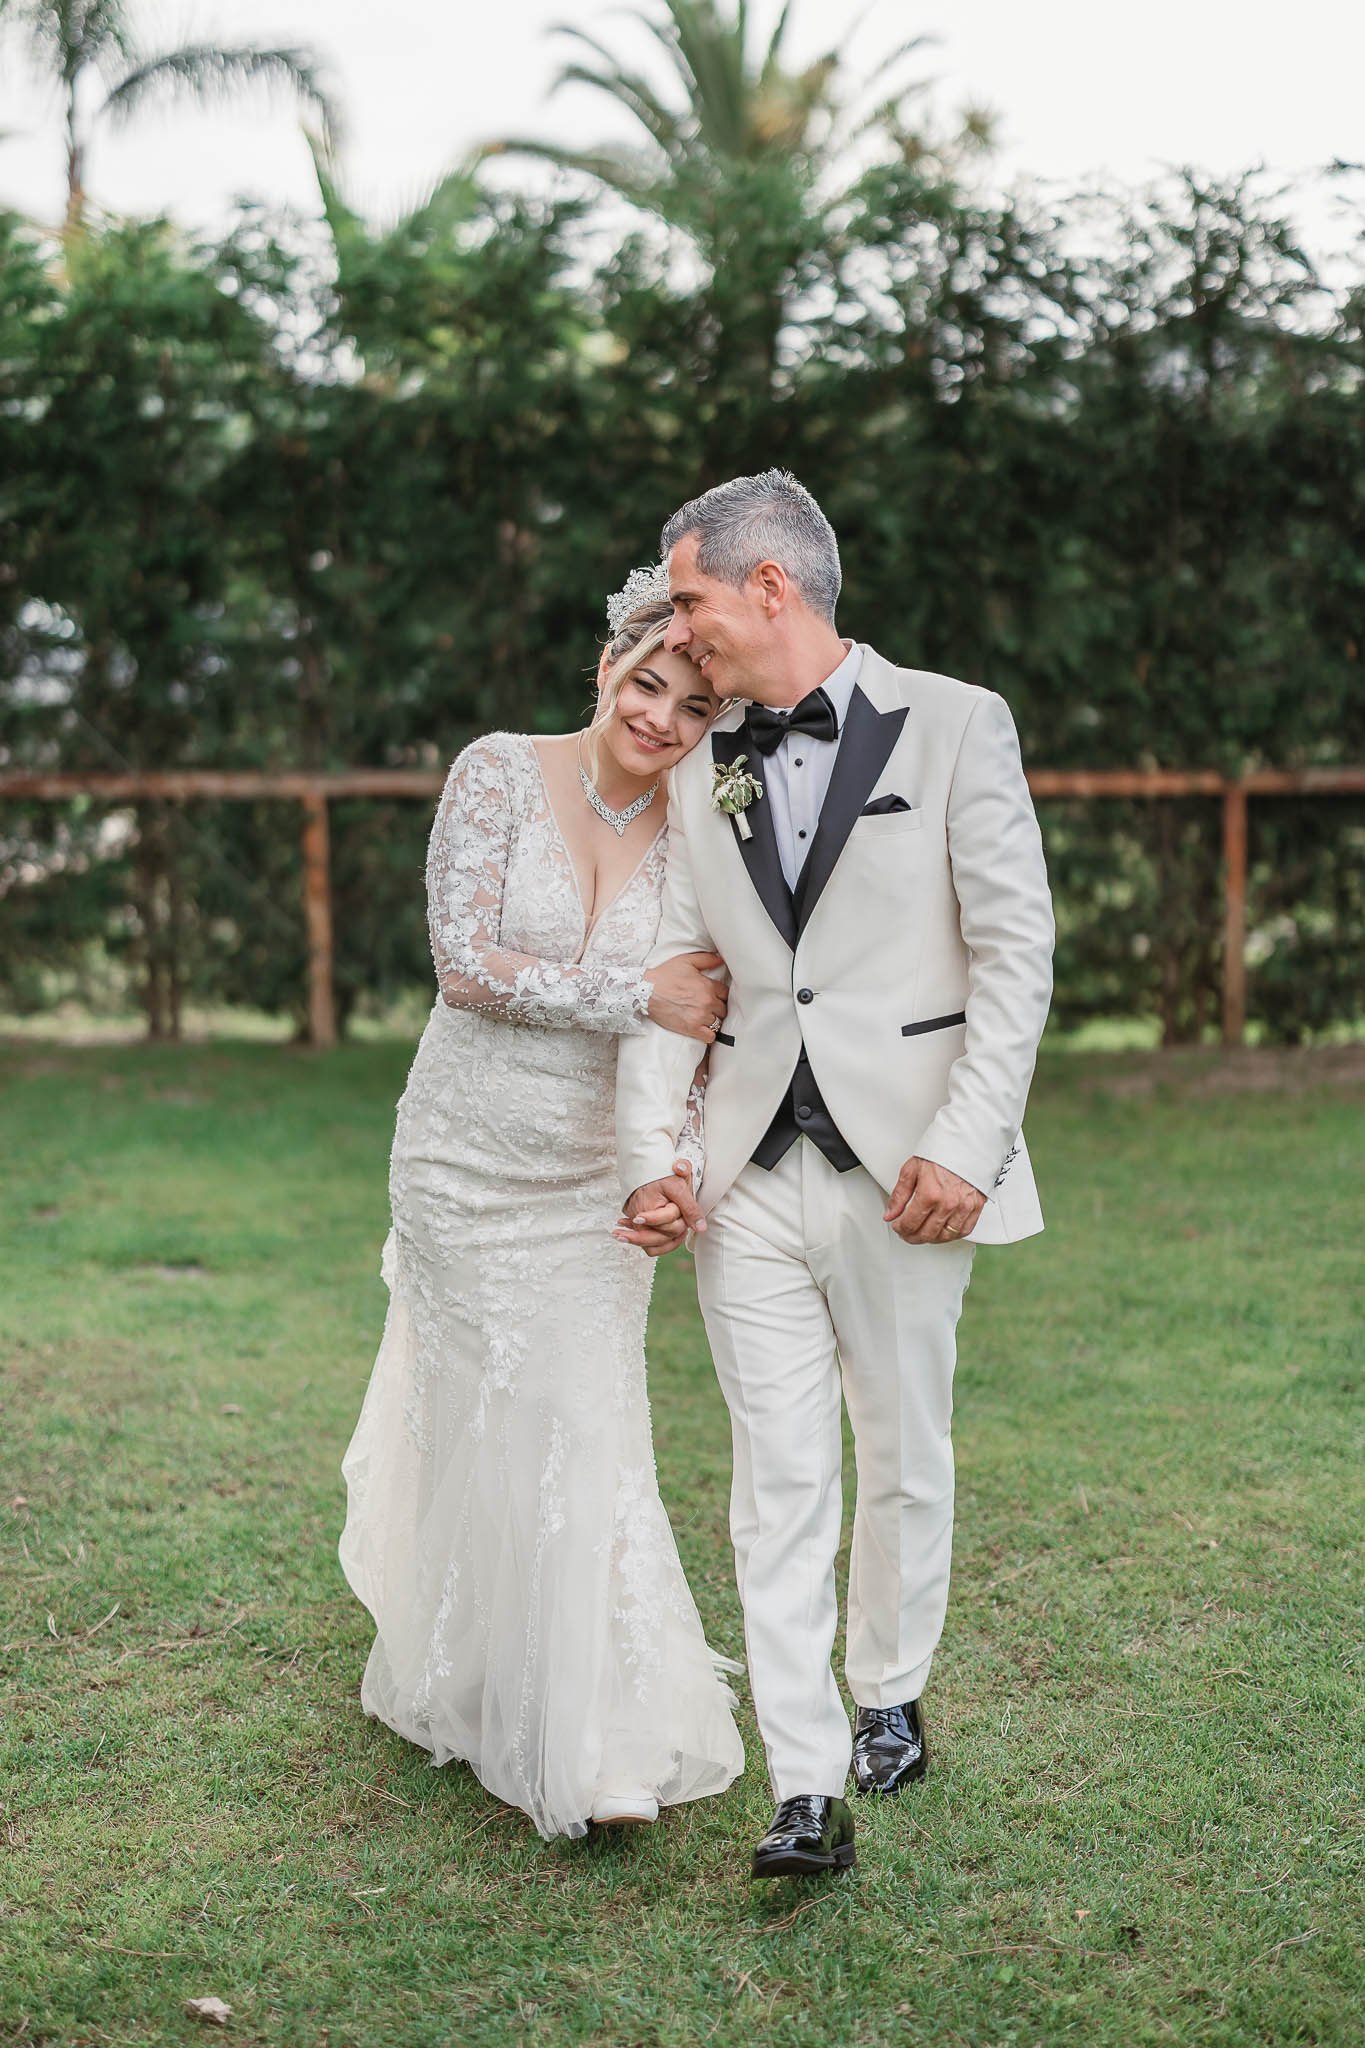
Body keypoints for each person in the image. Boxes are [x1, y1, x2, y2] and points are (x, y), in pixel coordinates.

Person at [615, 471, 1054, 1878]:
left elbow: (1015, 959)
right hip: (744, 1171)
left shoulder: (959, 722)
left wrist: (965, 1148)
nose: (675, 631)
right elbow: (679, 980)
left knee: (903, 1448)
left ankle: (890, 1689)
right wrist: (661, 1158)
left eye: (686, 598)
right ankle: (804, 1785)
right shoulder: (703, 758)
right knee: (778, 1473)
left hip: (908, 1170)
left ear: (767, 587)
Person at [340, 587, 744, 1840]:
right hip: (461, 1156)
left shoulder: (703, 834)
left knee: (585, 1412)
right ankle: (473, 1672)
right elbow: (466, 962)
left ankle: (600, 1730)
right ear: (610, 663)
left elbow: (708, 1027)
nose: (662, 719)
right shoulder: (498, 772)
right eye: (647, 685)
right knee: (484, 1406)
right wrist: (635, 989)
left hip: (591, 1177)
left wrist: (672, 1166)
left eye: (696, 705)